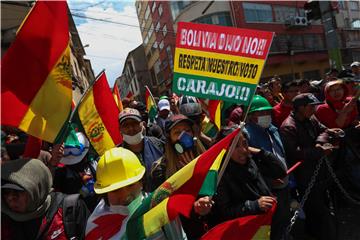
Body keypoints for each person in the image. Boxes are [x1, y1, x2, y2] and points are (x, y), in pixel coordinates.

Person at [86, 147, 211, 239]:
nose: (125, 195)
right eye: (115, 190)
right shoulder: (95, 224)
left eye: (130, 185)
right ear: (105, 192)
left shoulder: (159, 207)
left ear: (141, 182)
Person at [280, 93, 339, 240]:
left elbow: (323, 130)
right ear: (301, 108)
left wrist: (320, 141)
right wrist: (318, 151)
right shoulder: (288, 126)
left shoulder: (310, 118)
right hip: (305, 176)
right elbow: (293, 152)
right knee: (314, 208)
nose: (314, 109)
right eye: (311, 106)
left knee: (326, 204)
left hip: (320, 171)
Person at [210, 126, 287, 229]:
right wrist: (254, 205)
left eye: (245, 143)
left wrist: (260, 152)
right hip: (249, 229)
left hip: (270, 222)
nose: (242, 150)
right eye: (235, 146)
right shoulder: (221, 175)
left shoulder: (251, 160)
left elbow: (280, 171)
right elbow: (225, 211)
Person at [2, 158, 89, 240]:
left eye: (17, 191)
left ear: (37, 189)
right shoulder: (4, 220)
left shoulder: (71, 209)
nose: (10, 198)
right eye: (6, 192)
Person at [244, 95, 290, 240]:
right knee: (273, 224)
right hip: (268, 189)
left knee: (285, 219)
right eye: (260, 113)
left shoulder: (273, 129)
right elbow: (250, 165)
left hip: (285, 183)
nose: (265, 116)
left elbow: (281, 153)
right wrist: (269, 181)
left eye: (267, 112)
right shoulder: (246, 135)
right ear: (251, 115)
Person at [119, 108, 164, 192]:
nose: (131, 128)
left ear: (143, 124)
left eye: (135, 123)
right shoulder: (116, 156)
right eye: (125, 125)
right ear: (120, 130)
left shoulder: (159, 145)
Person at [52, 132, 99, 211]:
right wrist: (80, 182)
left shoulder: (94, 165)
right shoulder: (61, 173)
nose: (75, 162)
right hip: (76, 213)